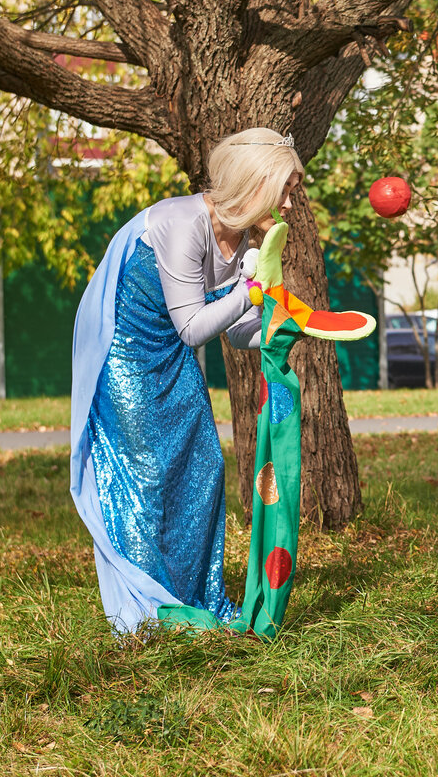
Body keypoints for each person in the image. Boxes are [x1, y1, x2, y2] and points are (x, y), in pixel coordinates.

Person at [69, 127, 299, 632]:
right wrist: (251, 291)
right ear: (255, 185)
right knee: (146, 476)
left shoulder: (243, 240)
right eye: (283, 190)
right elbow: (194, 327)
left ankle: (198, 599)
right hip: (124, 353)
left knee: (205, 465)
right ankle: (147, 612)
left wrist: (285, 328)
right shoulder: (183, 222)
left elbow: (235, 331)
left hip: (169, 351)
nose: (288, 203)